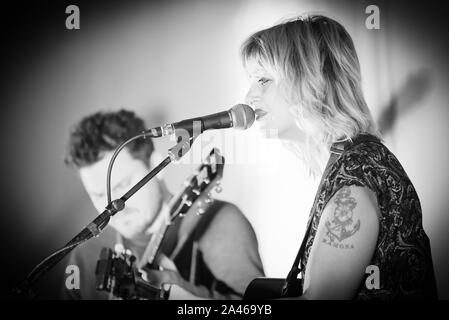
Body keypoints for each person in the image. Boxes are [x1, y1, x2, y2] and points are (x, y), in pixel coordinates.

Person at [241, 14, 437, 299]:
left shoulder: (355, 186)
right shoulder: (352, 166)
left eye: (263, 80)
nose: (249, 95)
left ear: (310, 81)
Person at [62, 109, 264, 299]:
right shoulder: (84, 255)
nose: (112, 205)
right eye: (98, 194)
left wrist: (180, 293)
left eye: (123, 185)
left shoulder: (220, 223)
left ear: (155, 165)